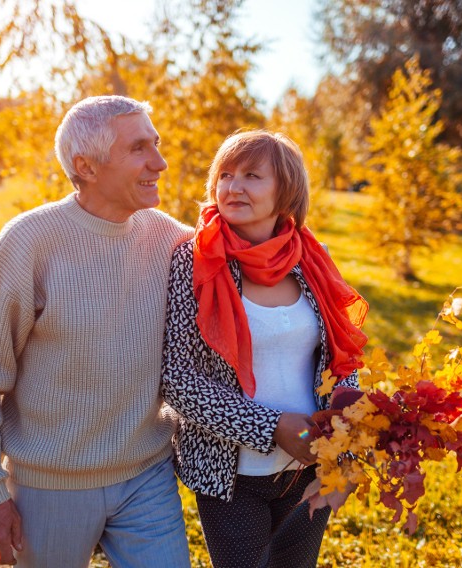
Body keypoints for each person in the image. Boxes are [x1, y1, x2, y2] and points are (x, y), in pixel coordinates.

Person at [0, 95, 193, 567]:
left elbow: (241, 266)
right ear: (88, 166)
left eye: (156, 144)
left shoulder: (168, 238)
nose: (159, 163)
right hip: (49, 486)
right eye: (139, 148)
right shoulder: (28, 243)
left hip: (147, 474)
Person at [161, 130, 369, 567]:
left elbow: (339, 356)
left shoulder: (311, 257)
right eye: (225, 175)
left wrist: (345, 446)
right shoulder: (193, 261)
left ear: (286, 190)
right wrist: (272, 426)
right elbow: (178, 380)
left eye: (252, 176)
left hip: (310, 463)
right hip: (230, 472)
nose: (233, 187)